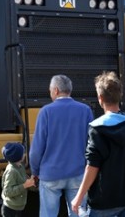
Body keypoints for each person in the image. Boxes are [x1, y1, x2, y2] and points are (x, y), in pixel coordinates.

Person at [71, 71, 125, 216]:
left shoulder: (97, 129)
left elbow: (92, 167)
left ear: (100, 98)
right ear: (120, 96)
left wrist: (79, 197)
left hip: (104, 201)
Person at [29, 74, 94, 217]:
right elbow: (92, 143)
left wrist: (35, 171)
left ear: (56, 90)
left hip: (50, 174)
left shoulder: (46, 111)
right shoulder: (85, 110)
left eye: (50, 90)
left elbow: (37, 148)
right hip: (78, 173)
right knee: (79, 213)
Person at [1, 142, 35, 217]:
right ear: (18, 156)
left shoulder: (20, 167)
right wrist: (25, 185)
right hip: (10, 209)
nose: (25, 154)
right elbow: (7, 191)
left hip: (18, 207)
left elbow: (25, 181)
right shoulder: (12, 171)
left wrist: (32, 182)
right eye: (23, 153)